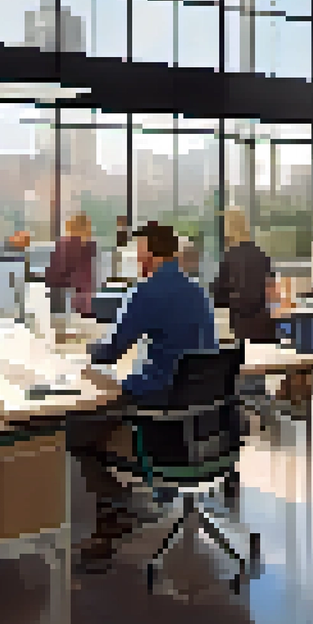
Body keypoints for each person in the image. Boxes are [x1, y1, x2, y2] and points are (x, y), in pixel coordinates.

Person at [72, 221, 217, 569]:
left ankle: (113, 512)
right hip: (202, 416)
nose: (137, 258)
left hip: (160, 406)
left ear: (149, 253)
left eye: (139, 251)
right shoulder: (197, 291)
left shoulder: (146, 291)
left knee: (75, 432)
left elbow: (111, 351)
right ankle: (124, 502)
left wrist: (82, 352)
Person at [211, 208, 278, 343]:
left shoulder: (230, 256)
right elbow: (271, 288)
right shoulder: (261, 254)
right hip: (264, 322)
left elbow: (219, 294)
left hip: (242, 323)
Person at [46, 213, 98, 316]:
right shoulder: (90, 247)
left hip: (66, 298)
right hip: (85, 299)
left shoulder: (64, 246)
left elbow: (54, 276)